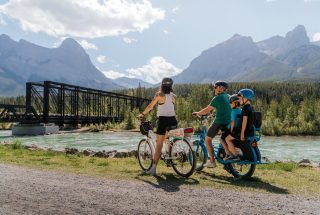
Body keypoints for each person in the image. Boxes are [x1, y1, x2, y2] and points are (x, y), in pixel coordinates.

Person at [138, 77, 178, 176]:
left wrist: (143, 114)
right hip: (173, 120)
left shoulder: (159, 95)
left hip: (163, 120)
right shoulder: (174, 96)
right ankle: (169, 159)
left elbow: (150, 106)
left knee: (159, 145)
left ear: (162, 85)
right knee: (167, 139)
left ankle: (153, 169)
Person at [192, 81, 231, 168]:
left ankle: (212, 161)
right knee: (223, 138)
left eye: (215, 87)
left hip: (220, 121)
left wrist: (198, 112)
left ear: (220, 88)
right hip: (229, 121)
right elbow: (224, 108)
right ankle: (225, 155)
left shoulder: (217, 98)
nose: (214, 89)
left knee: (208, 139)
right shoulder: (228, 96)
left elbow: (207, 110)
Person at [225, 89, 255, 160]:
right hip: (250, 131)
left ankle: (235, 155)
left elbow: (244, 122)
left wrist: (242, 134)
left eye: (240, 98)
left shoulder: (245, 108)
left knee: (227, 139)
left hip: (244, 132)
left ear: (246, 98)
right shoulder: (251, 107)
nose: (239, 100)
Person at [222, 94, 242, 160]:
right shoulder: (241, 110)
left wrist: (231, 131)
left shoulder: (233, 111)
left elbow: (232, 122)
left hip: (234, 130)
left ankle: (230, 154)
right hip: (238, 129)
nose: (230, 104)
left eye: (230, 103)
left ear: (234, 103)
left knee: (222, 139)